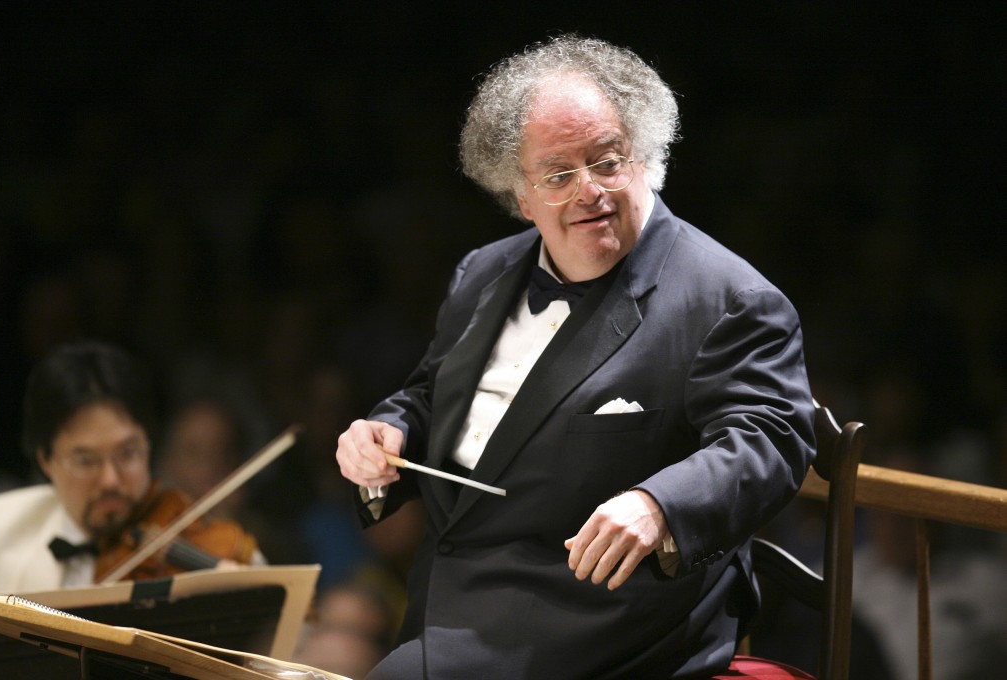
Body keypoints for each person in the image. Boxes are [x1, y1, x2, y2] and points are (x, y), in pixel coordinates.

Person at [334, 35, 815, 679]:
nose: (589, 190)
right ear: (521, 197)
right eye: (559, 174)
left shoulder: (730, 298)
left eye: (607, 161)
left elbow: (772, 437)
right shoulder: (481, 271)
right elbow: (428, 394)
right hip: (444, 602)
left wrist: (659, 505)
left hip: (600, 620)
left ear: (643, 159)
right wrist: (387, 432)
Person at [0, 340, 265, 594]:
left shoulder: (213, 546)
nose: (110, 479)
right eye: (85, 460)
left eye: (127, 453)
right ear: (45, 461)